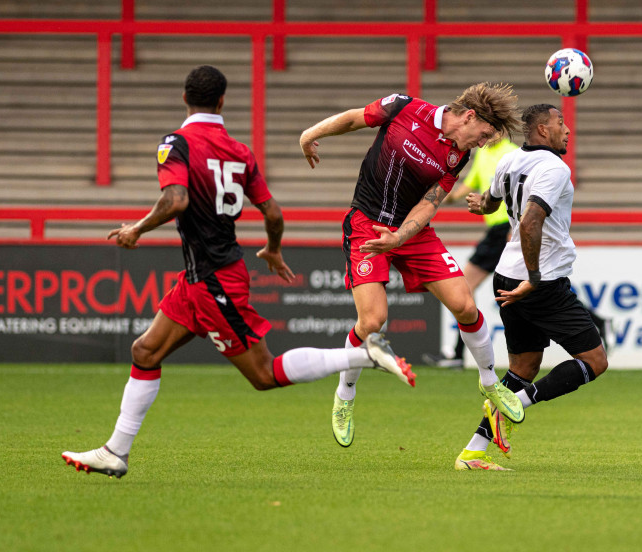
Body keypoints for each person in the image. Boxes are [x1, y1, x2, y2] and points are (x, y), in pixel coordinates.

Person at [62, 65, 414, 479]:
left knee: (264, 375)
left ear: (183, 98)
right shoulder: (239, 150)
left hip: (213, 278)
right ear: (222, 101)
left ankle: (364, 355)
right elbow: (272, 211)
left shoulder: (176, 143)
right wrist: (274, 248)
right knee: (145, 351)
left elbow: (175, 200)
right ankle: (115, 452)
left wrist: (135, 229)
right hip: (201, 277)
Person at [299, 82, 526, 448]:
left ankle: (489, 382)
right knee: (372, 321)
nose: (484, 144)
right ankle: (345, 396)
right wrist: (310, 134)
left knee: (465, 304)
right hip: (366, 224)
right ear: (469, 116)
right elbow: (354, 118)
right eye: (484, 134)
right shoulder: (404, 108)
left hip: (411, 232)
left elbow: (429, 203)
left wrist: (401, 237)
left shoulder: (458, 156)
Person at [454, 103, 608, 471]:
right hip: (538, 280)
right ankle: (513, 406)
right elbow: (529, 223)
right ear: (542, 130)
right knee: (594, 361)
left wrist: (479, 205)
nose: (566, 129)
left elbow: (490, 202)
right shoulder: (554, 168)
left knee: (524, 367)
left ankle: (473, 452)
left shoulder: (509, 161)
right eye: (560, 123)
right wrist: (535, 280)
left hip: (506, 274)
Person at [422, 135, 519, 368]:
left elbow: (520, 193)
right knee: (466, 286)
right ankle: (457, 354)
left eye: (493, 128)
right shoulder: (483, 153)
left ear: (503, 129)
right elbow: (465, 188)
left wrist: (516, 229)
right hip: (496, 231)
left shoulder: (513, 154)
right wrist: (439, 192)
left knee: (533, 287)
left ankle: (457, 354)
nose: (487, 134)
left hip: (510, 227)